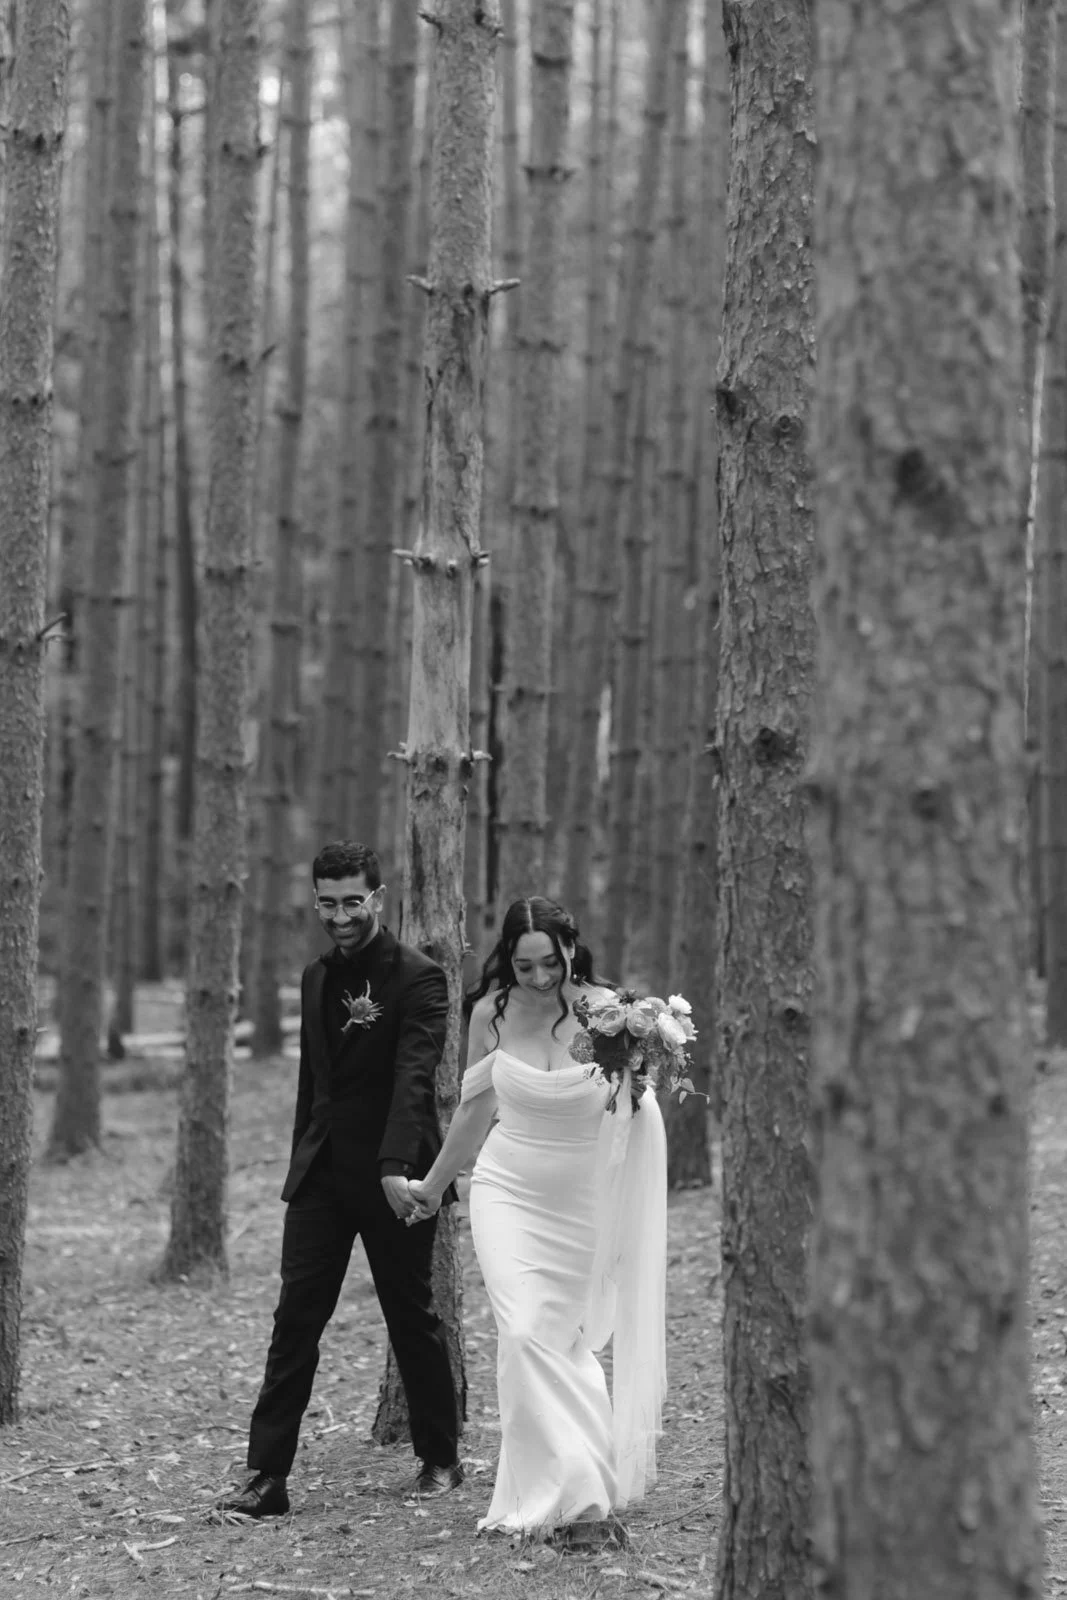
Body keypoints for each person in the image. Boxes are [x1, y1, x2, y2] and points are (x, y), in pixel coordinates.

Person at [407, 896, 668, 1540]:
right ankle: (577, 1494)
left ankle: (576, 1483)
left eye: (549, 963)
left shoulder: (612, 1013)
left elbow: (637, 1107)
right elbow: (471, 1113)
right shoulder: (489, 1016)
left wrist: (641, 1088)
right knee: (524, 1332)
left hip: (585, 1195)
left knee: (566, 1338)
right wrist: (433, 1187)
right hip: (509, 1187)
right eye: (525, 968)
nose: (540, 978)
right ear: (508, 963)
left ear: (569, 951)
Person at [217, 840, 463, 1519]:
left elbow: (417, 1078)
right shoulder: (316, 977)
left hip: (397, 1172)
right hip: (323, 1177)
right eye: (327, 903)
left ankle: (440, 1457)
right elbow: (313, 1083)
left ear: (377, 899)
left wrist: (394, 1169)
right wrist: (302, 1165)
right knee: (294, 1321)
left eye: (352, 901)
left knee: (410, 1315)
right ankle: (266, 1476)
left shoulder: (418, 977)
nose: (340, 915)